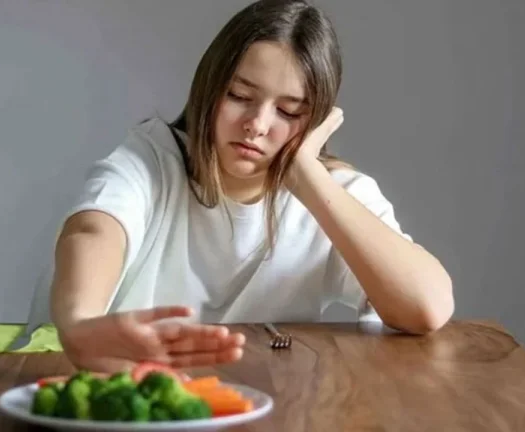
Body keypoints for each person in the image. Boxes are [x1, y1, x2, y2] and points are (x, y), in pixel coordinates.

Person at [49, 0, 454, 374]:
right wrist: (81, 322)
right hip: (140, 388)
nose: (257, 125)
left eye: (288, 111)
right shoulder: (152, 157)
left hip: (271, 401)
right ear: (209, 87)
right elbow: (94, 229)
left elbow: (427, 307)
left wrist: (306, 177)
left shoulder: (333, 193)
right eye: (240, 96)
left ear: (315, 120)